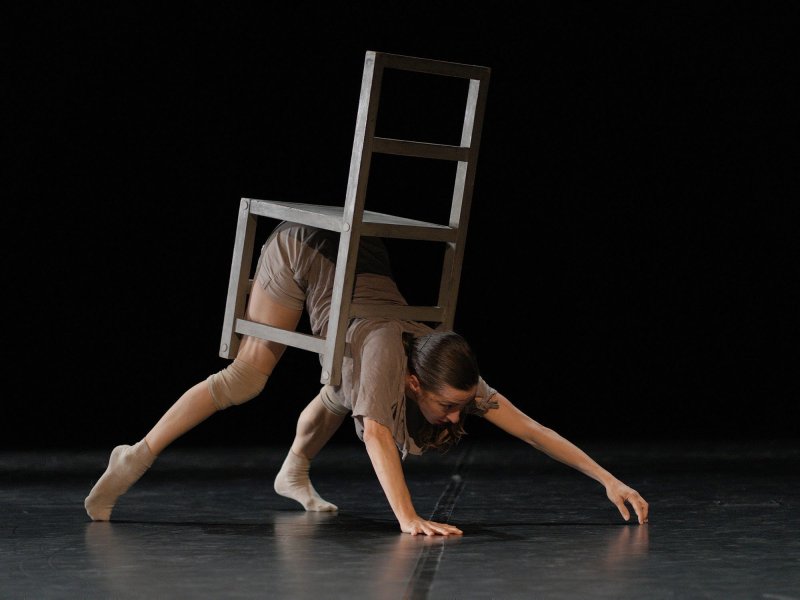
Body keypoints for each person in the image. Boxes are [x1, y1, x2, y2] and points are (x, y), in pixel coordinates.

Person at [85, 221, 649, 535]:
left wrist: (607, 479)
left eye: (462, 406)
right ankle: (135, 455)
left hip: (360, 259)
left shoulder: (437, 359)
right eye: (450, 406)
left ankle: (293, 472)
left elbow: (532, 429)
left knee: (340, 386)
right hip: (301, 249)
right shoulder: (386, 356)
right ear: (413, 384)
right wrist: (408, 518)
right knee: (249, 376)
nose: (459, 415)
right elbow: (378, 433)